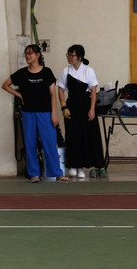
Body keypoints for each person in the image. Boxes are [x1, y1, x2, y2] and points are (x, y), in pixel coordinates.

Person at [1, 44, 70, 183]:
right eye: (26, 53)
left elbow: (52, 95)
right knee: (30, 143)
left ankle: (58, 174)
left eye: (31, 53)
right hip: (28, 114)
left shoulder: (47, 72)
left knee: (49, 143)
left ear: (38, 55)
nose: (28, 56)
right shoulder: (21, 73)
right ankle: (34, 174)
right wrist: (19, 95)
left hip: (45, 113)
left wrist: (54, 114)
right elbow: (5, 85)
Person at [57, 44, 107, 178]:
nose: (68, 57)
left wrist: (92, 109)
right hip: (71, 105)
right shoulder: (65, 71)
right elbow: (60, 89)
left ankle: (98, 166)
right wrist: (63, 107)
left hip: (86, 105)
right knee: (73, 135)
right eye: (67, 54)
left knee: (91, 135)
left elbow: (93, 90)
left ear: (80, 57)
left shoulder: (88, 70)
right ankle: (74, 166)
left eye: (71, 55)